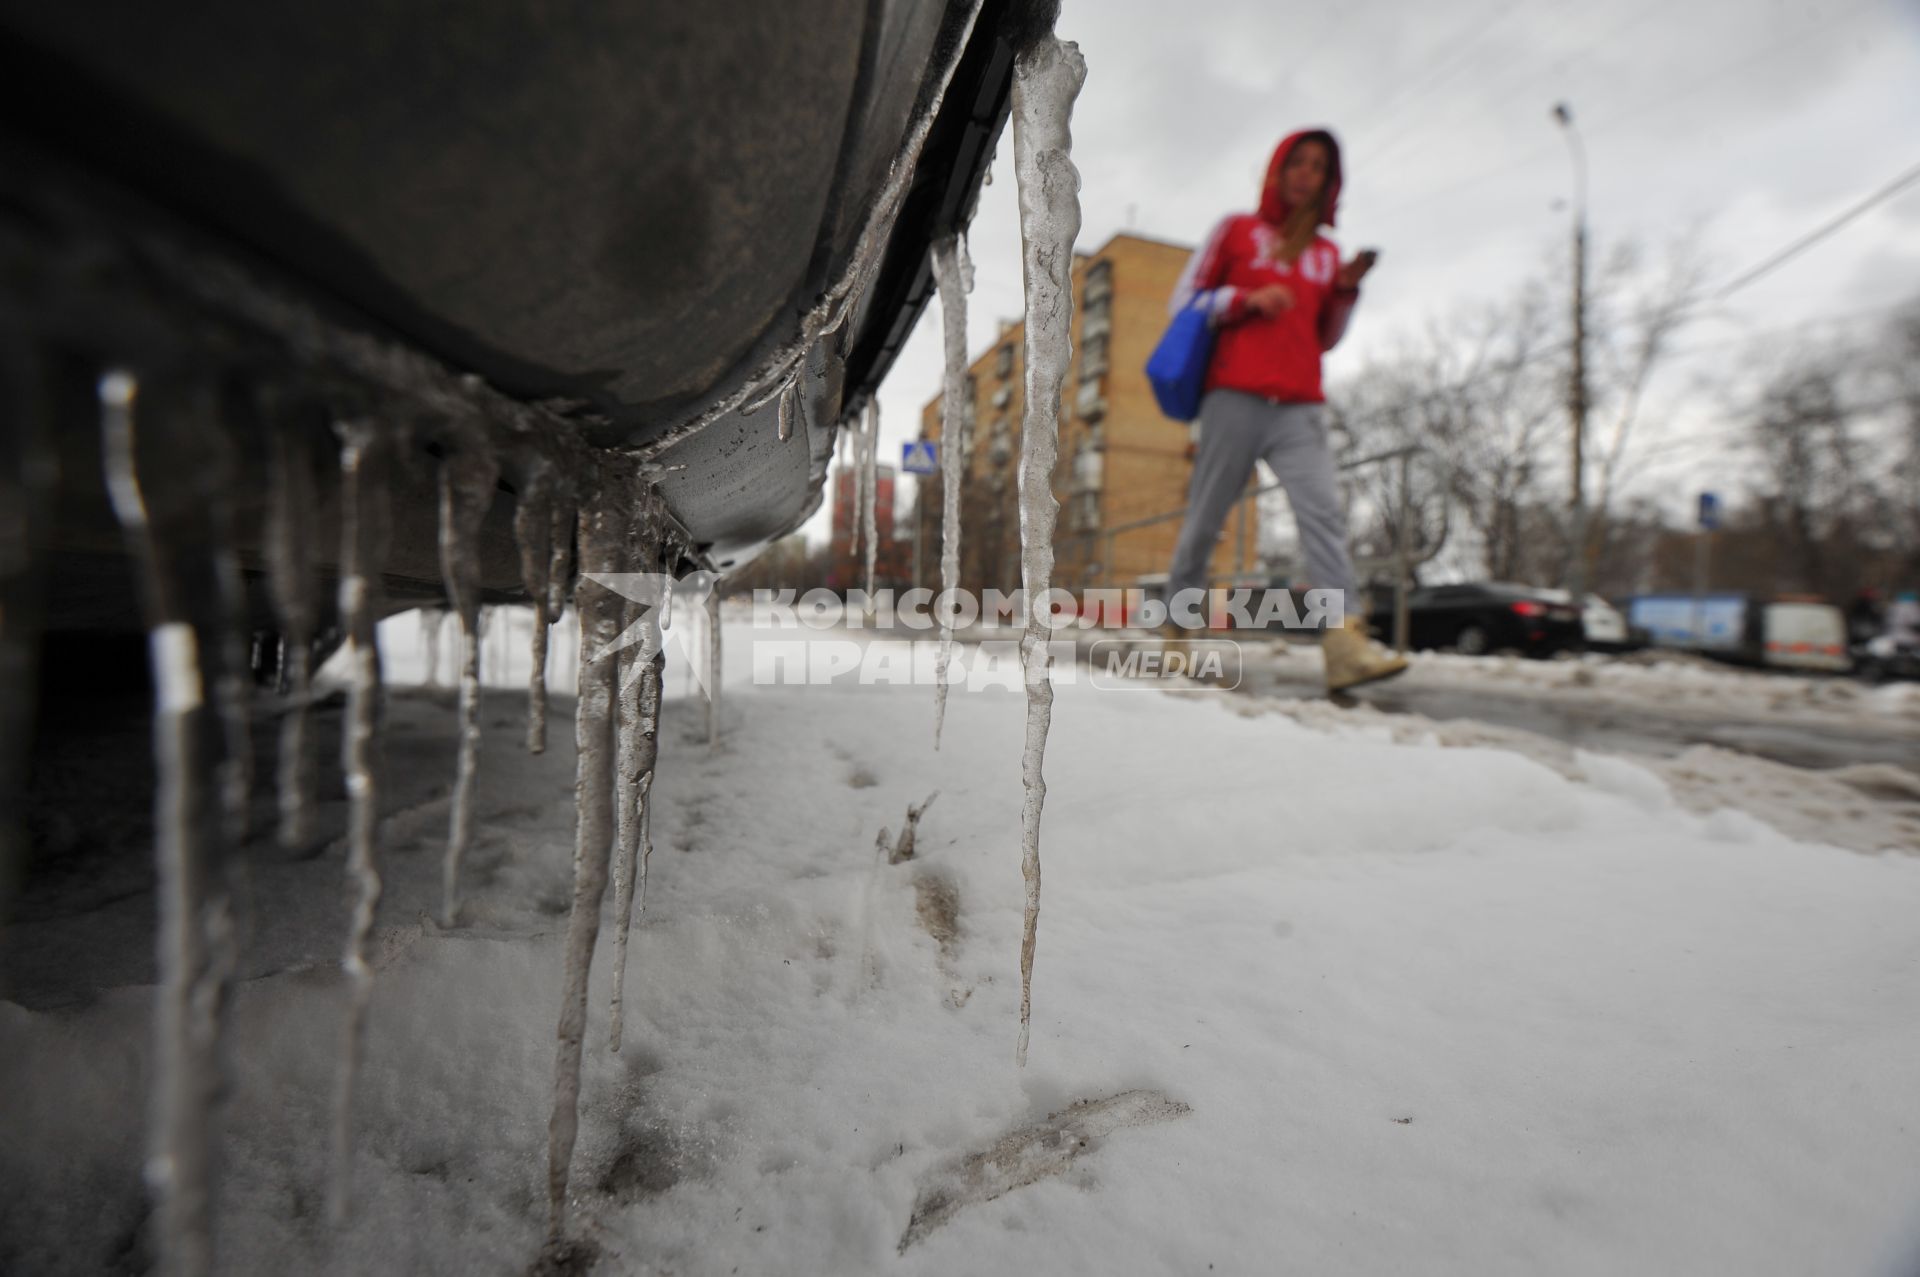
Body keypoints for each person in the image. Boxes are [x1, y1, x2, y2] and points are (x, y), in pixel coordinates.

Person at [1163, 127, 1407, 691]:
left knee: (1323, 516)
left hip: (1300, 406)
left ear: (1329, 182)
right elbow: (1185, 301)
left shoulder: (1324, 253)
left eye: (1318, 167)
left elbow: (1324, 339)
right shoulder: (1237, 231)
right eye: (1297, 161)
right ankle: (1177, 629)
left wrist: (1345, 291)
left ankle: (1345, 644)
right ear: (1278, 168)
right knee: (1205, 519)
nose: (1306, 173)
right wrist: (1244, 301)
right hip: (1233, 397)